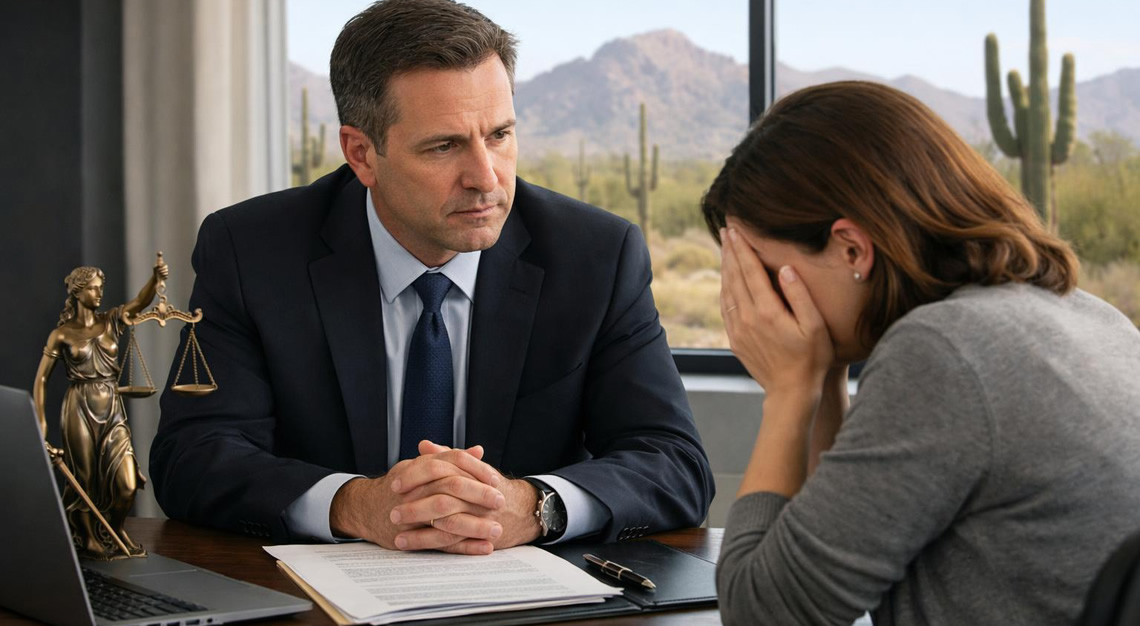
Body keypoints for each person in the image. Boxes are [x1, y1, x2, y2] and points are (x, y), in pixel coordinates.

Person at [150, 0, 712, 555]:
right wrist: (353, 504)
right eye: (444, 146)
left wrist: (534, 506)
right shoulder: (252, 251)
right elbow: (194, 454)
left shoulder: (596, 256)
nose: (485, 178)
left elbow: (673, 461)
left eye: (499, 135)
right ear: (362, 154)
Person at [703, 80, 1140, 625]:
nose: (755, 304)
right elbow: (838, 547)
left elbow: (763, 613)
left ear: (851, 247)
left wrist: (790, 395)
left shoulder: (945, 353)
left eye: (763, 274)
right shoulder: (1090, 316)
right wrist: (823, 374)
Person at [33, 260, 169, 559]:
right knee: (86, 476)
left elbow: (139, 303)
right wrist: (40, 426)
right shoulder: (62, 334)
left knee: (127, 483)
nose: (98, 294)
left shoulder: (112, 321)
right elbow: (41, 379)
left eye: (100, 288)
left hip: (111, 406)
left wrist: (154, 278)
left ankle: (114, 527)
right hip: (78, 406)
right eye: (93, 288)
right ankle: (87, 535)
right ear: (78, 292)